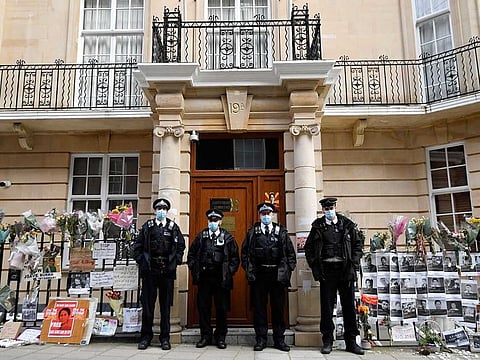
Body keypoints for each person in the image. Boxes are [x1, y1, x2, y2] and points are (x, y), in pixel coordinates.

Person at [304, 197, 364, 355]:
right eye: (326, 209)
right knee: (327, 308)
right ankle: (327, 340)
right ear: (322, 210)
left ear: (335, 207)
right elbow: (309, 248)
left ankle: (351, 341)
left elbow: (358, 245)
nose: (329, 211)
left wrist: (354, 263)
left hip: (345, 271)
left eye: (331, 208)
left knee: (349, 307)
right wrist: (315, 267)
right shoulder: (318, 226)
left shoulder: (347, 225)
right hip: (327, 271)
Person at [241, 202, 296, 352]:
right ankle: (261, 339)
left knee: (278, 309)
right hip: (259, 276)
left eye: (268, 214)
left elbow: (291, 255)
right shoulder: (253, 232)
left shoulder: (281, 232)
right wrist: (249, 270)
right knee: (259, 309)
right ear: (260, 216)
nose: (266, 216)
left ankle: (279, 340)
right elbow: (245, 254)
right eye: (263, 214)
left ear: (273, 215)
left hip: (277, 277)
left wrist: (287, 271)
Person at [133, 198, 186, 351]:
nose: (161, 211)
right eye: (159, 208)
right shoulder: (148, 227)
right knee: (148, 306)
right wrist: (142, 262)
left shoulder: (172, 227)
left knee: (165, 307)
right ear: (155, 211)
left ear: (167, 210)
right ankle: (146, 337)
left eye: (164, 208)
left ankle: (165, 338)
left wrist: (174, 262)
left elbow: (180, 246)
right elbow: (138, 247)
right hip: (150, 271)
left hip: (166, 272)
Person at [187, 209, 240, 349]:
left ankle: (220, 337)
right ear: (208, 221)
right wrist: (194, 269)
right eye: (211, 220)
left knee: (222, 308)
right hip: (204, 278)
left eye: (215, 221)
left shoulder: (227, 237)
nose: (213, 223)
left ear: (220, 222)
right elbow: (191, 255)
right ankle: (205, 336)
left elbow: (235, 258)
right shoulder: (201, 236)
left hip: (221, 279)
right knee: (204, 308)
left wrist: (229, 272)